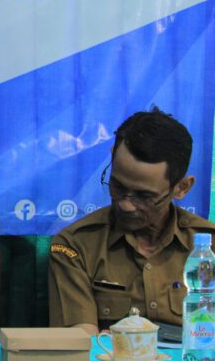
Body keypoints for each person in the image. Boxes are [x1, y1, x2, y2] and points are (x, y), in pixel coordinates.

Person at [49, 107, 215, 334]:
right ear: (112, 158)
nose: (126, 205)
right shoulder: (77, 245)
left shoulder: (209, 248)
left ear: (182, 188)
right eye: (117, 186)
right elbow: (81, 341)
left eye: (144, 196)